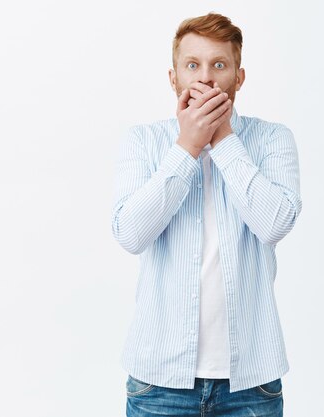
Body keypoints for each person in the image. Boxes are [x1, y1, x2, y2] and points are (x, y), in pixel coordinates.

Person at [111, 12, 301, 417]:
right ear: (173, 77)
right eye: (192, 65)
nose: (206, 78)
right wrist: (187, 147)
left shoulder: (272, 140)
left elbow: (275, 224)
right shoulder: (143, 142)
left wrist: (223, 138)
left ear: (239, 76)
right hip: (158, 382)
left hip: (251, 383)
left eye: (219, 65)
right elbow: (130, 234)